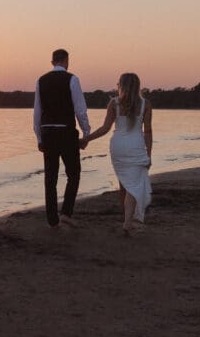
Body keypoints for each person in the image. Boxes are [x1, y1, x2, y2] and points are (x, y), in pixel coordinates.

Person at [84, 72, 153, 236]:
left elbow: (105, 128)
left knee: (125, 185)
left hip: (118, 147)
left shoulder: (113, 103)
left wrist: (87, 139)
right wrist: (148, 154)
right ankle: (128, 223)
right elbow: (148, 132)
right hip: (136, 147)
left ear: (121, 86)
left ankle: (126, 219)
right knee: (134, 185)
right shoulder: (146, 104)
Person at [33, 49, 91, 228]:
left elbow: (37, 112)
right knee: (73, 173)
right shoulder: (72, 79)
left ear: (52, 61)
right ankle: (66, 212)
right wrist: (86, 132)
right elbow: (80, 109)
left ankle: (52, 220)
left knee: (50, 177)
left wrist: (39, 137)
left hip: (48, 132)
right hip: (66, 131)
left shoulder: (41, 81)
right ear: (66, 60)